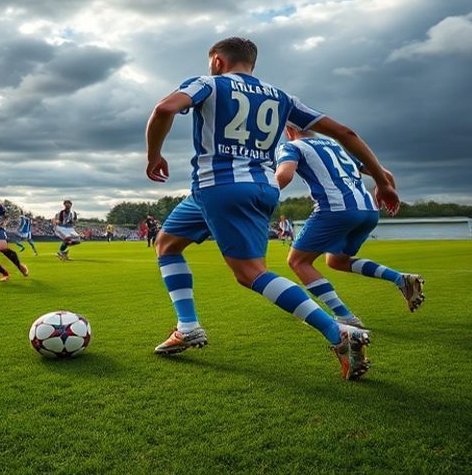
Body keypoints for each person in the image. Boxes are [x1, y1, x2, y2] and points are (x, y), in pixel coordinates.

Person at [145, 37, 399, 381]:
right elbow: (344, 131)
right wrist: (382, 180)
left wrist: (153, 155)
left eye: (211, 62)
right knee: (167, 244)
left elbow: (164, 109)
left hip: (220, 186)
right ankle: (187, 326)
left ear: (217, 60)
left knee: (251, 273)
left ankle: (338, 332)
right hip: (257, 187)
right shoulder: (281, 97)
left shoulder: (207, 83)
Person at [275, 125, 424, 324]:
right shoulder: (334, 146)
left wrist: (257, 197)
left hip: (335, 210)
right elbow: (386, 174)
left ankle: (345, 318)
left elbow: (285, 175)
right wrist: (386, 188)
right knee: (336, 261)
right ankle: (401, 279)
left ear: (288, 130)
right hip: (368, 211)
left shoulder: (291, 146)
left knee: (298, 261)